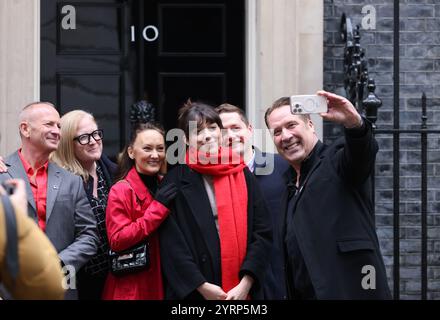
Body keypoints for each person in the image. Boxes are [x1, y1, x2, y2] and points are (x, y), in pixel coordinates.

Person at [264, 90, 391, 299]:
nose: (285, 136)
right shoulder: (287, 184)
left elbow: (362, 153)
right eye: (277, 132)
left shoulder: (335, 159)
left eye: (291, 125)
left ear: (310, 125)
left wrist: (354, 124)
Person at [159, 101, 272, 300]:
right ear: (185, 139)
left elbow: (262, 231)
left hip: (243, 289)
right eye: (198, 131)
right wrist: (201, 286)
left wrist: (246, 282)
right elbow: (171, 244)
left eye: (213, 128)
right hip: (196, 293)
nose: (208, 136)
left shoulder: (243, 172)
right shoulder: (174, 181)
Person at [0, 102, 99, 300]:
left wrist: (56, 263)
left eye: (59, 126)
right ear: (25, 129)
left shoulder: (71, 181)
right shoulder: (2, 173)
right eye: (49, 124)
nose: (57, 131)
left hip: (61, 289)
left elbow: (89, 235)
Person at [216, 103, 289, 300]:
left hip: (279, 278)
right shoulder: (210, 180)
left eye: (236, 128)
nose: (230, 136)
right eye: (223, 131)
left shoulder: (283, 167)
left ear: (249, 130)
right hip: (232, 284)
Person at [102, 122, 177, 300]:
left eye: (160, 148)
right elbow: (117, 240)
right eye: (147, 148)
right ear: (131, 152)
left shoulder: (166, 185)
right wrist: (158, 209)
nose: (155, 155)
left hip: (165, 282)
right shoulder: (121, 190)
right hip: (132, 287)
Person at [50, 110, 116, 300]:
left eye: (96, 134)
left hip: (115, 277)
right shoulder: (58, 181)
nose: (94, 141)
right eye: (84, 137)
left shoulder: (114, 171)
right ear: (67, 144)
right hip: (79, 280)